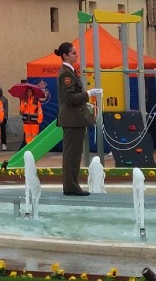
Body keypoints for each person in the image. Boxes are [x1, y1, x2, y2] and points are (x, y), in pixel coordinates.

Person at [56, 41, 96, 196]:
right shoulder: (66, 74)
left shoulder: (70, 71)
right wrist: (88, 94)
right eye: (73, 53)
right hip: (72, 119)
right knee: (71, 155)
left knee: (74, 154)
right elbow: (69, 97)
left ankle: (72, 185)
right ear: (65, 55)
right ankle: (71, 186)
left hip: (75, 119)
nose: (76, 55)